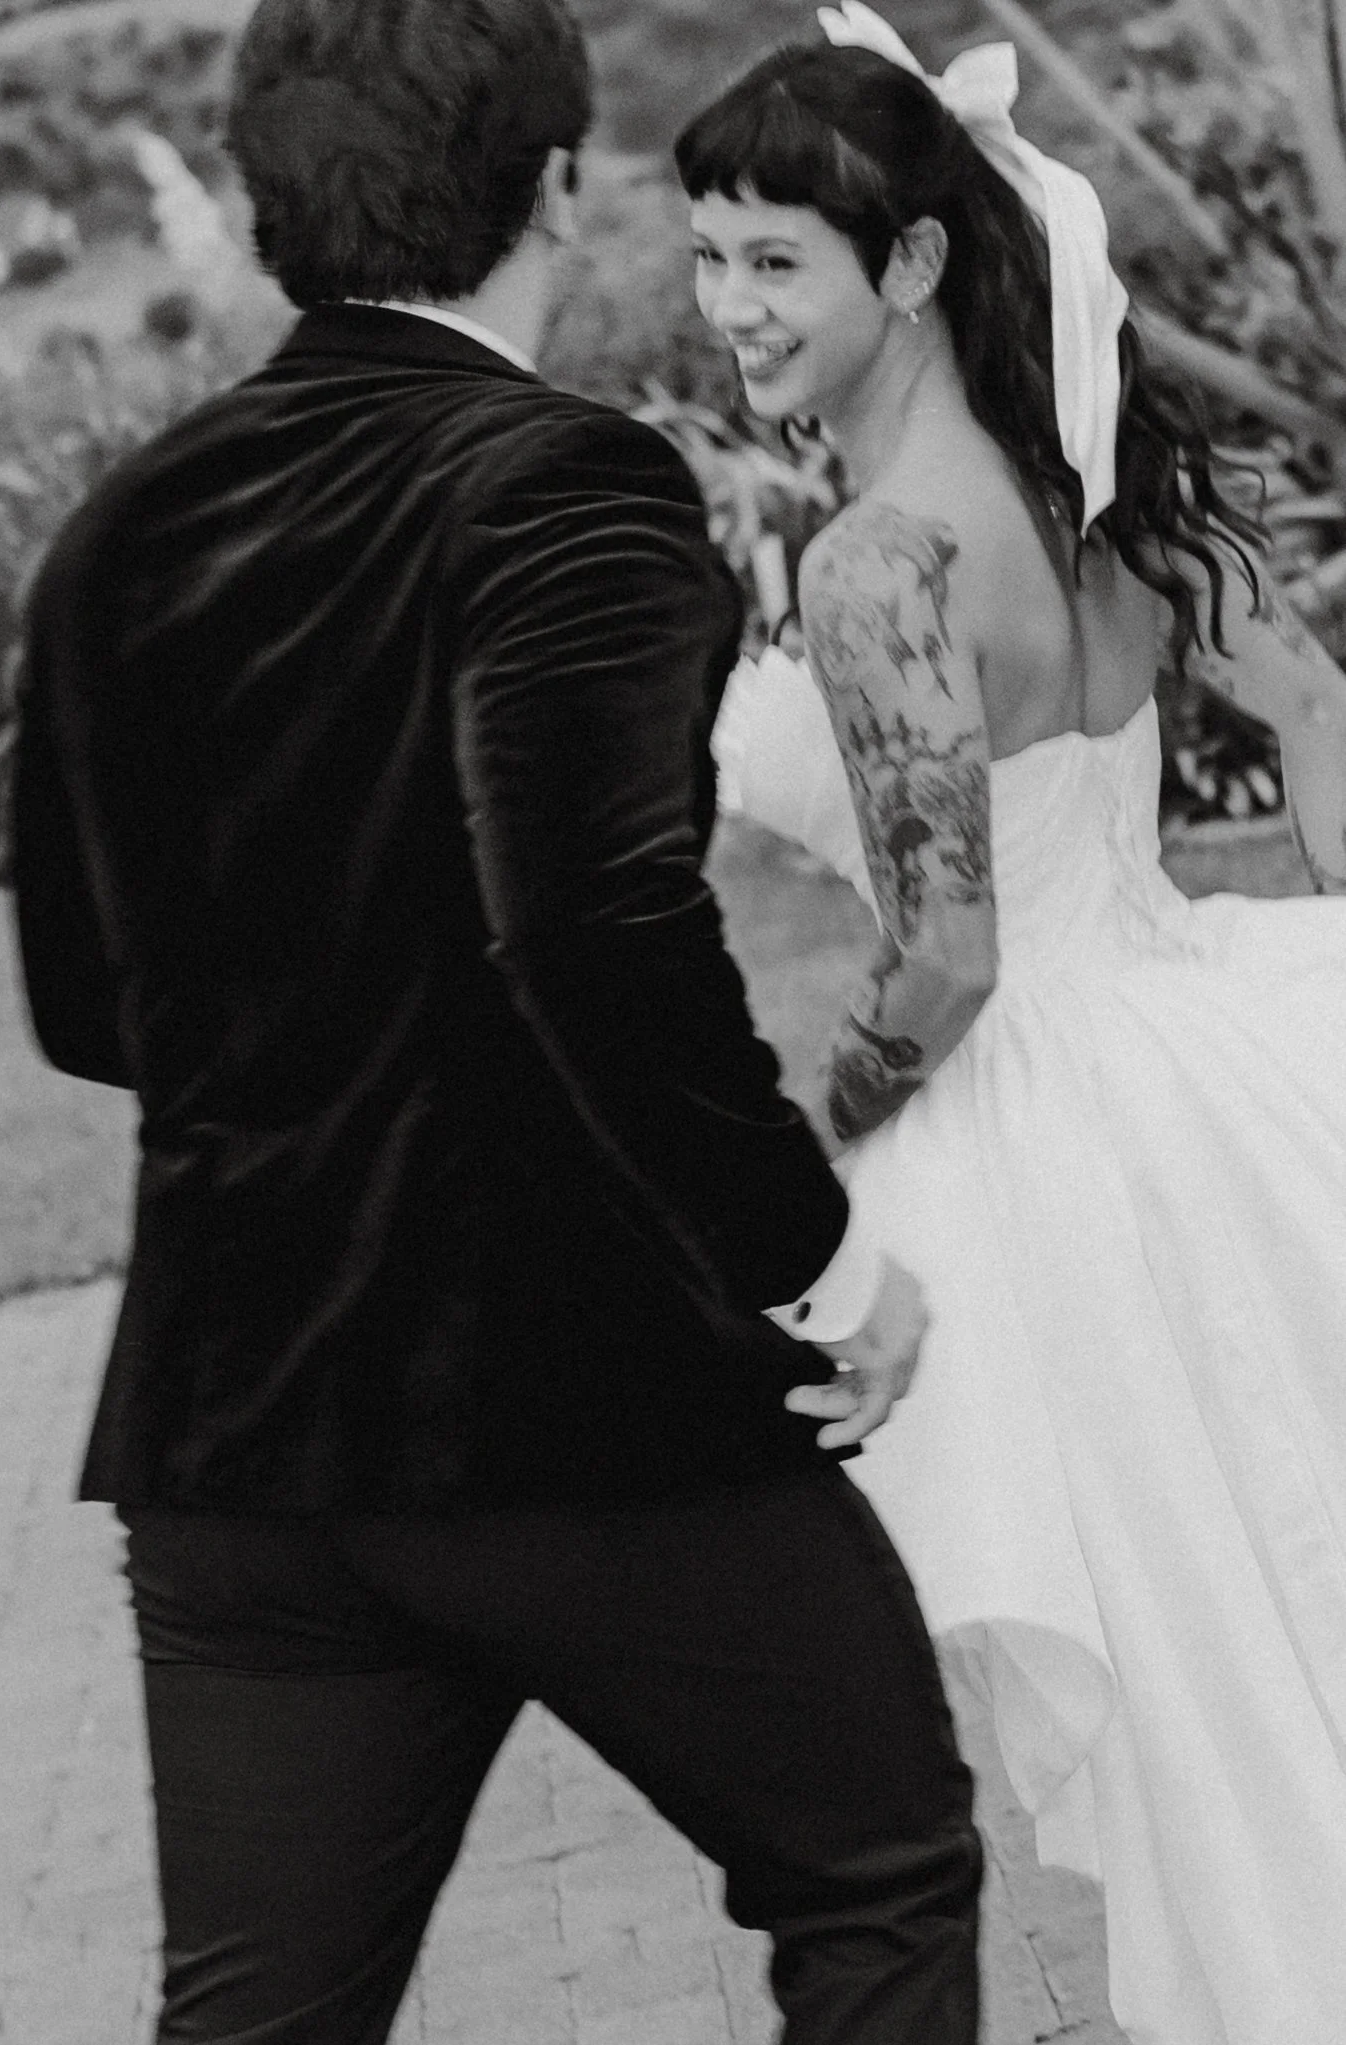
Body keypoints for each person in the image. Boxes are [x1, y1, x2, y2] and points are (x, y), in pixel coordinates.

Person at [9, 1, 988, 2038]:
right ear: (552, 184)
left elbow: (91, 1006)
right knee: (879, 1874)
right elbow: (598, 930)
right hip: (579, 1399)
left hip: (241, 1438)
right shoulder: (570, 482)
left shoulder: (114, 536)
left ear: (268, 195)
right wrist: (821, 1267)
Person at [678, 7, 1346, 2044]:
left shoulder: (881, 562)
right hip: (1203, 1056)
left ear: (907, 265)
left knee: (1205, 1664)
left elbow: (950, 954)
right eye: (707, 255)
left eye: (773, 258)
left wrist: (824, 1122)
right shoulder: (1098, 480)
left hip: (1041, 1134)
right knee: (1285, 1588)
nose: (728, 306)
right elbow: (1314, 706)